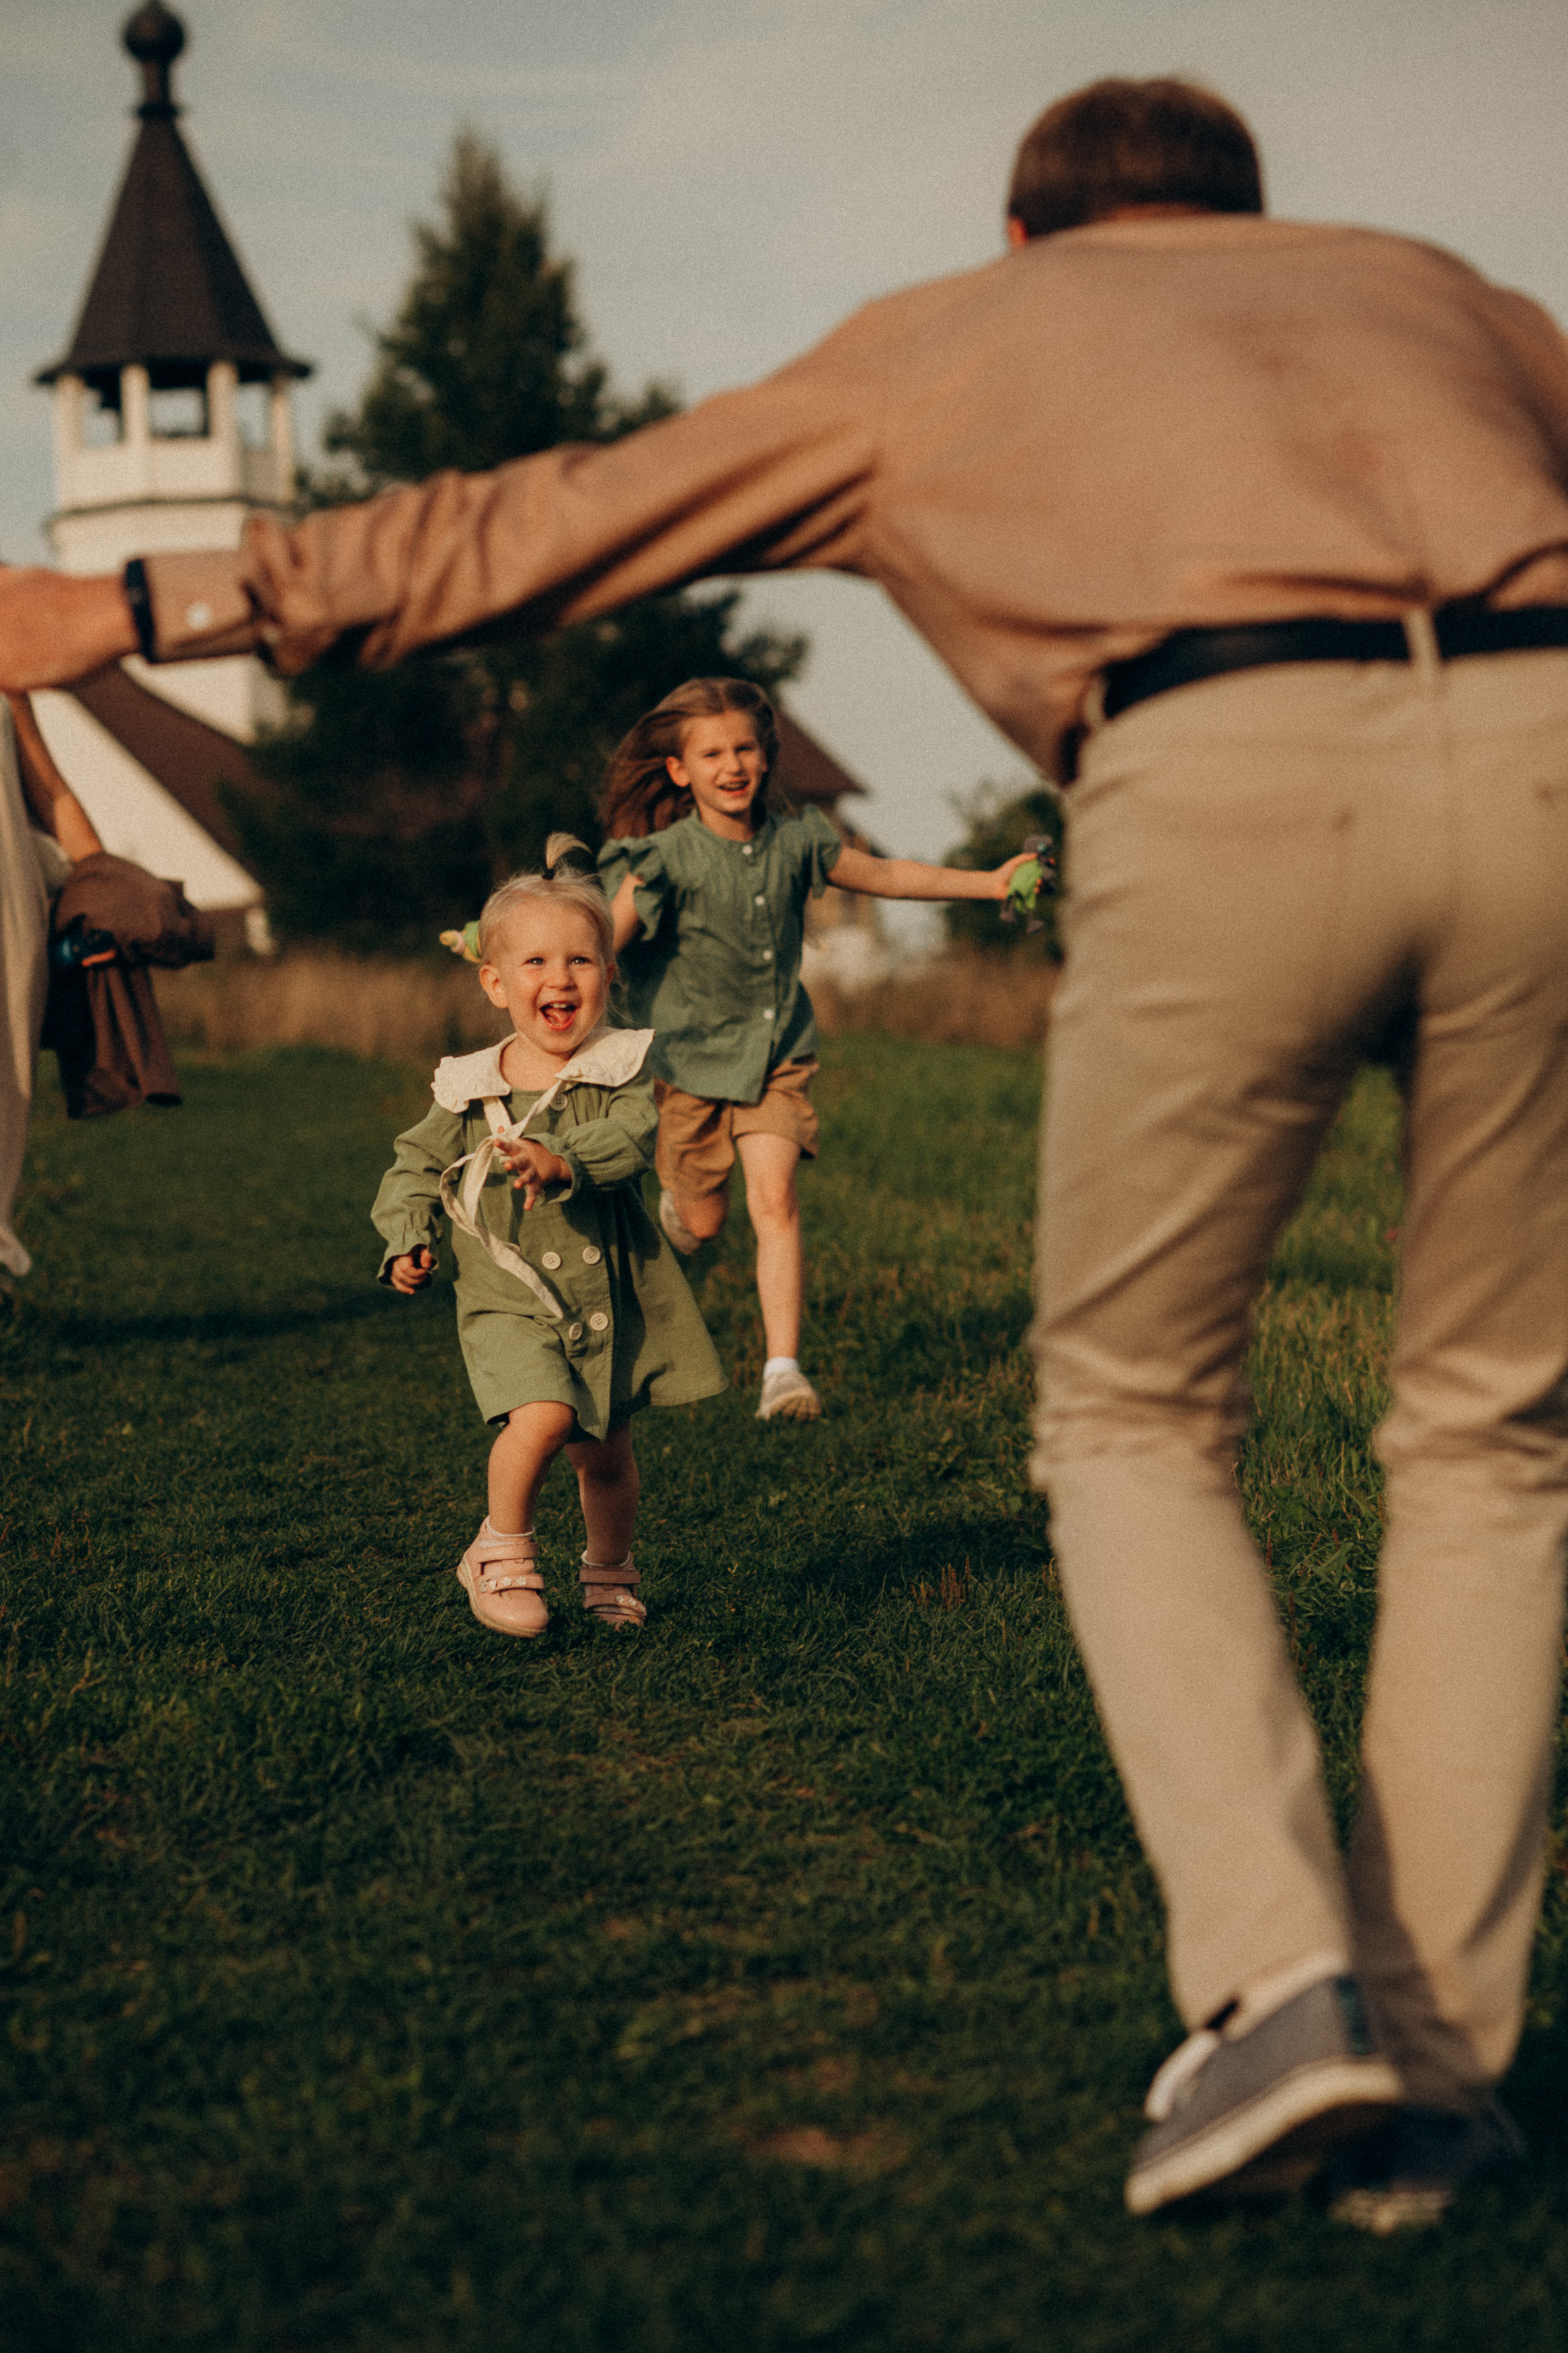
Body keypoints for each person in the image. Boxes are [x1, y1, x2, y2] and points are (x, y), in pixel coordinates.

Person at [8, 72, 1568, 2229]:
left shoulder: (953, 335)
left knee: (1133, 1410)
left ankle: (1286, 1988)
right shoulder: (1455, 303)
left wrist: (141, 598)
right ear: (1252, 219)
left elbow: (553, 521)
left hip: (1222, 757)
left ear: (1028, 239)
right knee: (1494, 1432)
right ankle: (1442, 2078)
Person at [596, 675, 1029, 1422]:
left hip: (776, 1056)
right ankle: (676, 1212)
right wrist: (543, 968)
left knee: (775, 1199)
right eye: (711, 754)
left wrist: (989, 884)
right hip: (688, 1066)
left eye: (743, 749)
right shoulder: (662, 859)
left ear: (765, 756)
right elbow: (604, 941)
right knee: (704, 1224)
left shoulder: (799, 841)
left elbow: (887, 875)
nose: (731, 766)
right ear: (679, 770)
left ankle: (782, 1373)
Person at [372, 839, 725, 1638]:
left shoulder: (618, 1069)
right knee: (541, 1415)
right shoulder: (471, 1086)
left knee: (606, 1455)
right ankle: (498, 1551)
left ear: (608, 974)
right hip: (508, 1297)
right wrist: (407, 1234)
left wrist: (563, 1158)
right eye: (535, 961)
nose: (559, 979)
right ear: (496, 983)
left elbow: (632, 1138)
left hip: (603, 1301)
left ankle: (608, 1572)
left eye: (580, 961)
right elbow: (414, 1163)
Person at [0, 691, 101, 1277]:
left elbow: (52, 793)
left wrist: (104, 879)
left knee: (4, 1090)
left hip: (6, 914)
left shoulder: (5, 660)